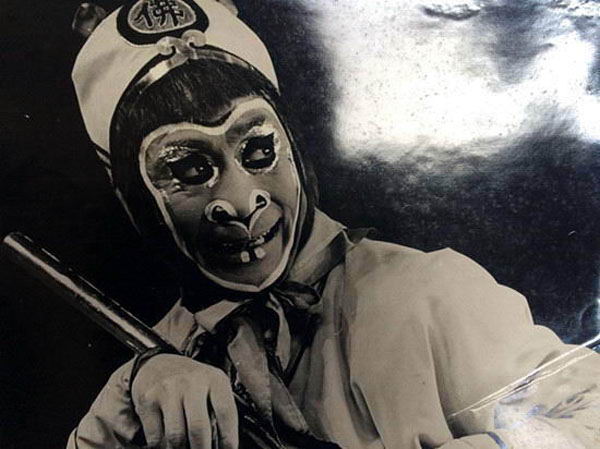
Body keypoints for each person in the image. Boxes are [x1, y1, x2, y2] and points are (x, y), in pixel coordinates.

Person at [68, 0, 600, 448]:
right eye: (188, 169)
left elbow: (589, 415)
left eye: (258, 149)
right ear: (133, 198)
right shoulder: (158, 360)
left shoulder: (422, 295)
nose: (241, 201)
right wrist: (129, 393)